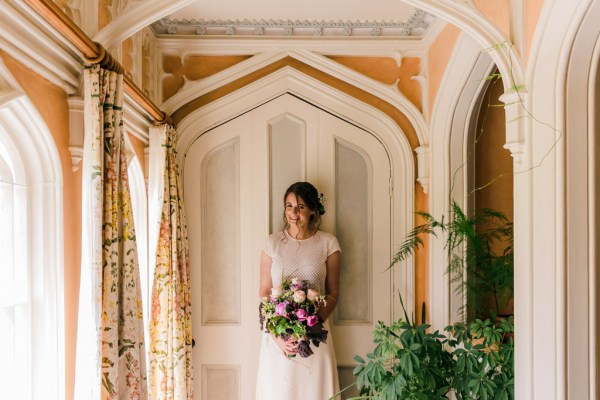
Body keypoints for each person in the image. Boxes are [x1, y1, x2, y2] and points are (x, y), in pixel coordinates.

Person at [255, 182, 341, 399]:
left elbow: (333, 291)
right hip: (279, 337)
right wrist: (277, 336)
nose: (293, 213)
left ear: (313, 209)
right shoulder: (272, 243)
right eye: (289, 206)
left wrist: (310, 326)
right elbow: (264, 292)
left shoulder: (328, 243)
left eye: (301, 207)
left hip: (315, 334)